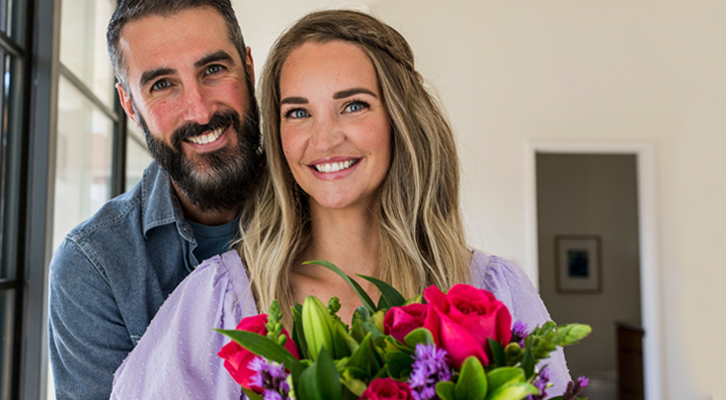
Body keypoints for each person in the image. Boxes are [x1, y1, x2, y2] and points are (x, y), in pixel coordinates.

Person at [111, 9, 570, 400]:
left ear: (399, 119)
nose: (325, 139)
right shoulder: (219, 303)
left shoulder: (493, 296)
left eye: (353, 106)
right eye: (298, 113)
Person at [47, 1, 263, 399]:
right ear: (130, 105)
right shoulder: (94, 267)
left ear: (248, 70)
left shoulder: (326, 209)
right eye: (162, 84)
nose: (199, 111)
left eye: (213, 70)